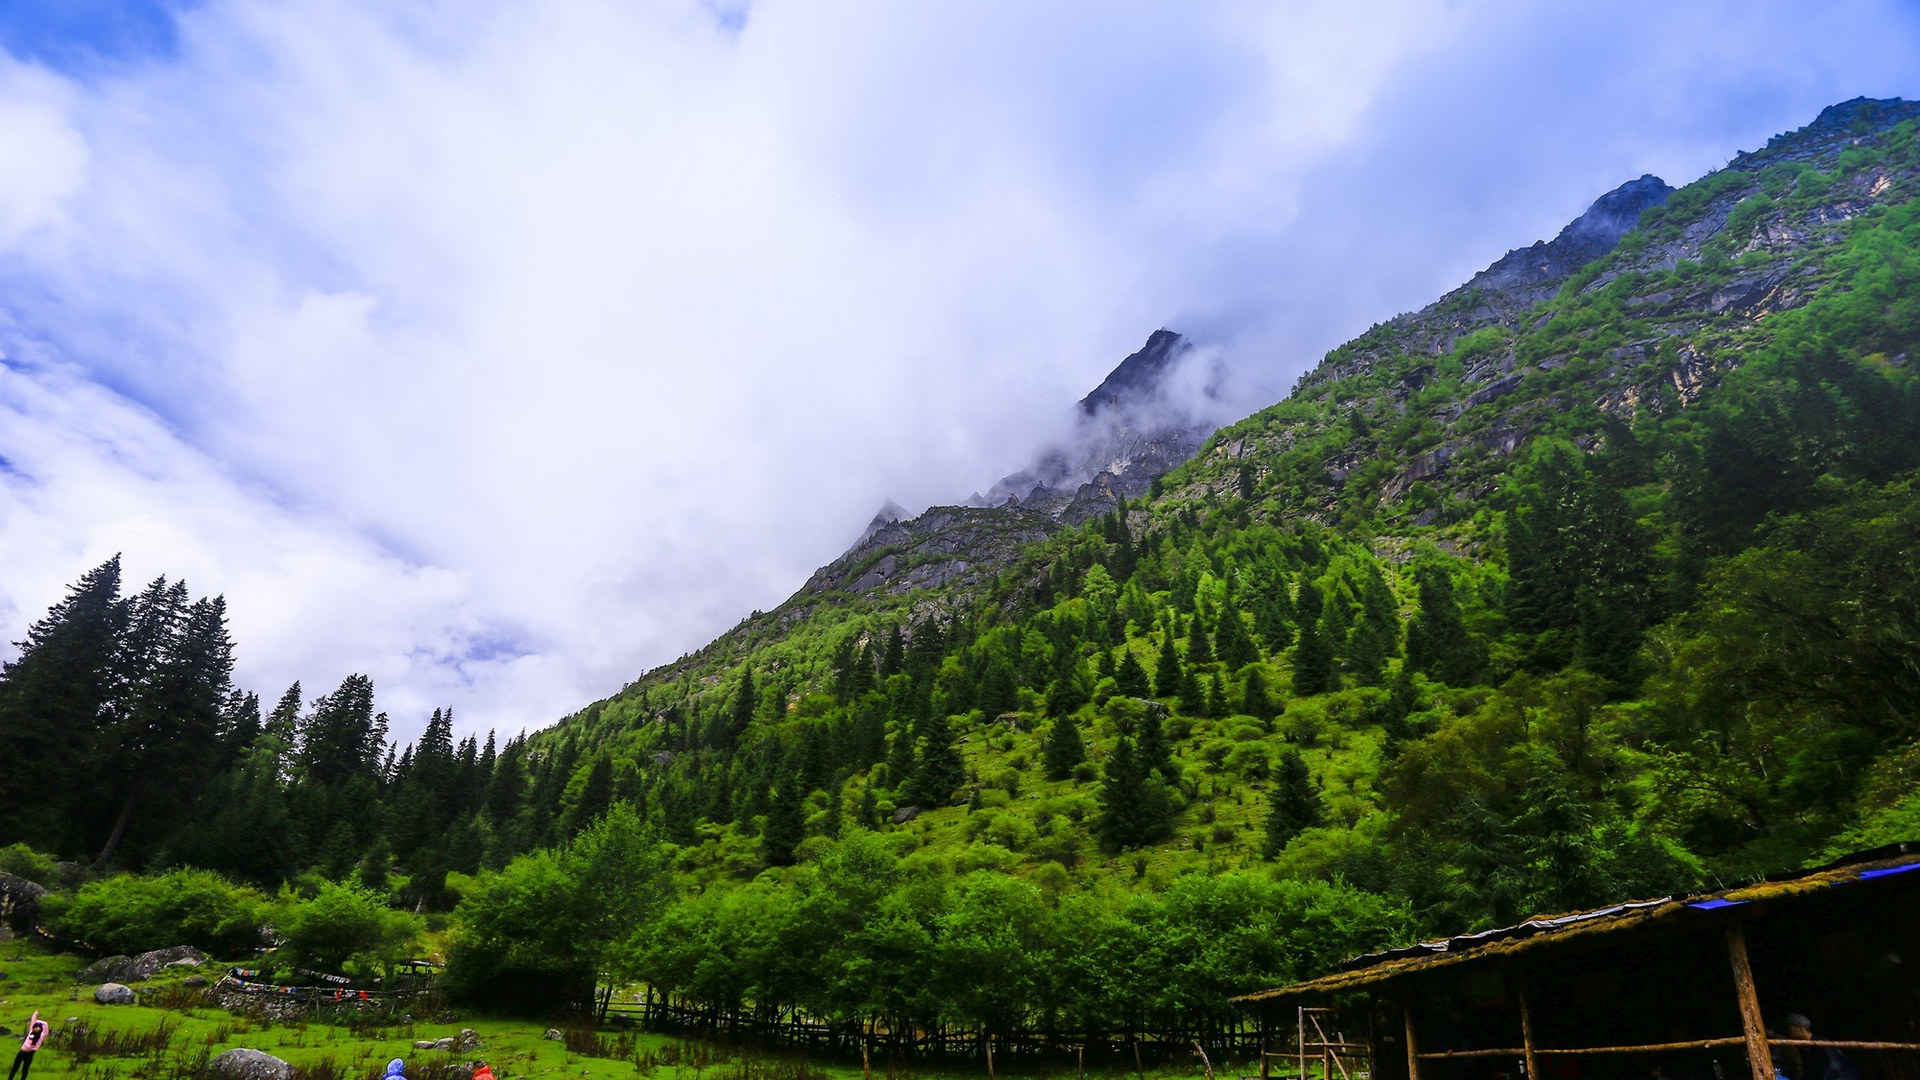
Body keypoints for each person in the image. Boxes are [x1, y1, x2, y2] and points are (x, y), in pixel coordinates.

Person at [1784, 1014, 1862, 1080]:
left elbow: (1833, 1068)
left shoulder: (1820, 1043)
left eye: (1791, 1029)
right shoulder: (1808, 1045)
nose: (1789, 1032)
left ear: (1800, 1029)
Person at [8, 1012, 48, 1080]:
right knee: (15, 1068)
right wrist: (36, 1013)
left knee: (25, 1069)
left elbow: (46, 1029)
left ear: (41, 1029)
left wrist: (42, 1022)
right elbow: (33, 1020)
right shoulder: (30, 1032)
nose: (36, 1028)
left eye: (38, 1027)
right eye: (35, 1027)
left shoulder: (41, 1036)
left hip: (30, 1054)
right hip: (21, 1052)